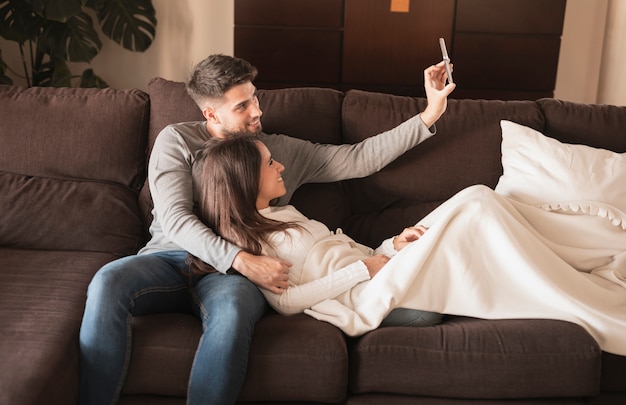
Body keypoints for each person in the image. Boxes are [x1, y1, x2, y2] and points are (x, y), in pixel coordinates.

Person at [78, 54, 455, 405]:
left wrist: (429, 114)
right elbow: (176, 218)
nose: (257, 111)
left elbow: (356, 158)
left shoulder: (276, 149)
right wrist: (242, 260)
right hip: (173, 258)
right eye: (242, 106)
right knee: (108, 281)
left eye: (254, 97)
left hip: (230, 277)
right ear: (211, 114)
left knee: (232, 314)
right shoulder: (177, 141)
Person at [189, 135, 626, 356]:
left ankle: (585, 251)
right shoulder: (250, 245)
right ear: (245, 181)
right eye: (270, 163)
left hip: (381, 269)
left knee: (478, 197)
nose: (280, 164)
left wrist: (392, 244)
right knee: (476, 208)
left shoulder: (284, 214)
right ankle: (580, 288)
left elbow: (352, 254)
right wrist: (367, 270)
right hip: (369, 293)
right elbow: (288, 303)